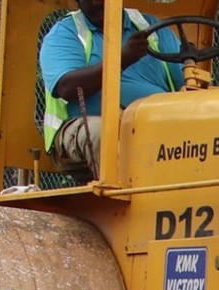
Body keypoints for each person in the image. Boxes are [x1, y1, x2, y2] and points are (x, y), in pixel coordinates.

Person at [39, 0, 181, 175]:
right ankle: (128, 193)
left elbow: (186, 83)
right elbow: (67, 87)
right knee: (107, 133)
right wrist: (121, 60)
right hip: (83, 124)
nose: (98, 2)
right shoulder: (65, 33)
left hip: (155, 121)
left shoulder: (152, 28)